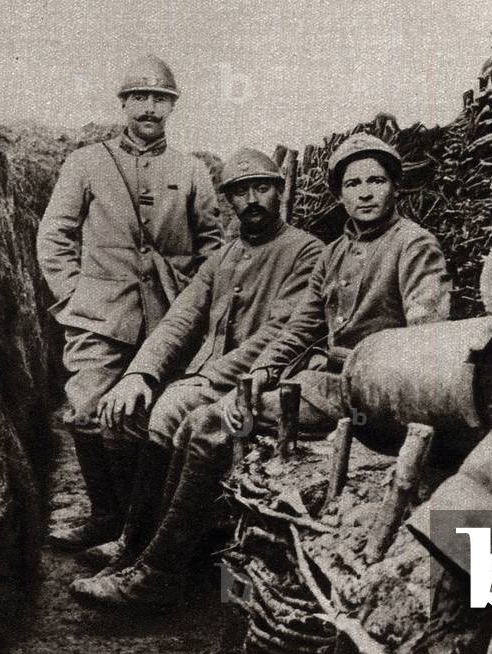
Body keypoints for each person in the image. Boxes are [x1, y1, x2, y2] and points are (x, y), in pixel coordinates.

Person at [71, 133, 451, 609]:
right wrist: (252, 386)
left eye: (377, 180)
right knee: (201, 420)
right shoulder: (334, 253)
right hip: (325, 384)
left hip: (375, 395)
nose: (366, 193)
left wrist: (238, 385)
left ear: (396, 186)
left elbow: (426, 340)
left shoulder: (414, 246)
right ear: (339, 195)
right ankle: (151, 558)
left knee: (207, 424)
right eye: (353, 184)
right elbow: (297, 331)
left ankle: (159, 572)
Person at [76, 148, 323, 571]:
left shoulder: (306, 252)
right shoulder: (223, 257)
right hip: (211, 380)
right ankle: (134, 535)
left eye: (262, 188)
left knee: (169, 409)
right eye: (240, 193)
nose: (252, 200)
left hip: (263, 380)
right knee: (120, 410)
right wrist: (139, 373)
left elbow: (278, 332)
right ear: (228, 201)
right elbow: (180, 320)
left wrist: (207, 380)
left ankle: (147, 554)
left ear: (279, 191)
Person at [37, 54, 223, 552]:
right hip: (99, 314)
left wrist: (194, 306)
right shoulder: (86, 163)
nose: (149, 108)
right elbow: (55, 236)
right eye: (139, 98)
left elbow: (212, 246)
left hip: (167, 317)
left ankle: (143, 528)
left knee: (153, 414)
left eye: (159, 99)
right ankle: (105, 516)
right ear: (124, 104)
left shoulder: (190, 170)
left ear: (171, 107)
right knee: (88, 409)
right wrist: (75, 296)